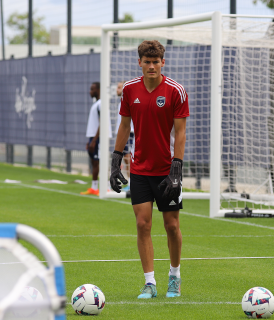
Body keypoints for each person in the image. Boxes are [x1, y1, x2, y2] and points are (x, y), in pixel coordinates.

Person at [109, 40, 189, 299]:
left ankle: (174, 277)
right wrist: (115, 160)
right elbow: (123, 126)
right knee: (143, 224)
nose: (152, 66)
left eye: (156, 62)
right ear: (140, 63)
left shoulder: (176, 90)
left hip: (167, 170)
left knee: (172, 226)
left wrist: (176, 167)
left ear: (163, 63)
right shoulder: (130, 90)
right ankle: (150, 283)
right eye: (147, 61)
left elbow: (180, 132)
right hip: (140, 170)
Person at [81, 82, 112, 196]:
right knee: (94, 162)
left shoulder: (101, 103)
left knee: (101, 162)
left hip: (99, 138)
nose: (90, 91)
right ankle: (94, 187)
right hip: (94, 137)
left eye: (92, 89)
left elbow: (102, 122)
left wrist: (94, 140)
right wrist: (90, 140)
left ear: (98, 90)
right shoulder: (96, 103)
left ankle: (107, 187)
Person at [114, 80, 135, 192]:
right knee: (127, 159)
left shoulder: (130, 101)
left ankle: (132, 184)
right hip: (124, 134)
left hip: (130, 134)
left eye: (119, 87)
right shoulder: (121, 102)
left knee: (128, 159)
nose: (117, 90)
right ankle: (130, 183)